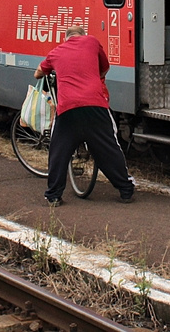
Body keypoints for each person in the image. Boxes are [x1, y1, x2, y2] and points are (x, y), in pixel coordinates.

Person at [34, 24, 135, 207]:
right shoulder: (92, 42)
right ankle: (126, 190)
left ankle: (53, 196)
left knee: (59, 151)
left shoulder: (56, 52)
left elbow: (38, 74)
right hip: (95, 105)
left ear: (66, 38)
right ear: (83, 35)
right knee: (108, 148)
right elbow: (104, 68)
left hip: (68, 108)